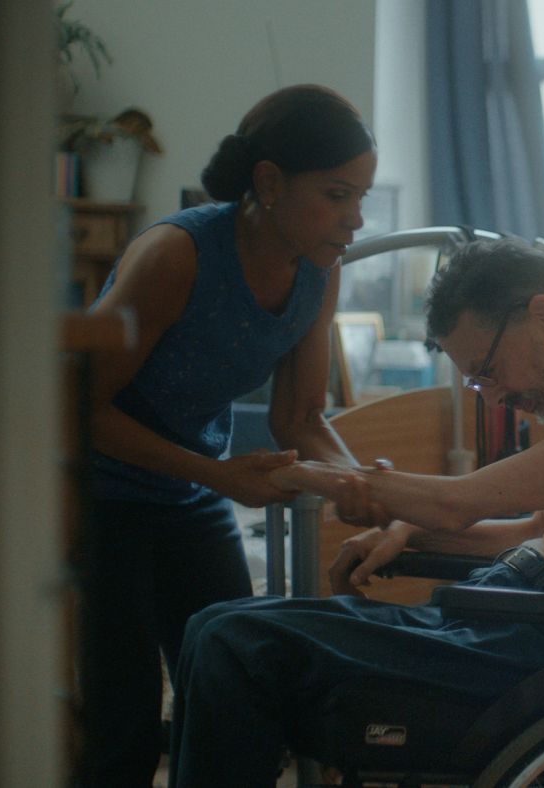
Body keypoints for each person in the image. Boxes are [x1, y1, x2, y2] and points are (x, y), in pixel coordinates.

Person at [167, 238, 544, 787]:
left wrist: (307, 475)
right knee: (209, 625)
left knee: (234, 644)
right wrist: (410, 535)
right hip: (513, 623)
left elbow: (459, 503)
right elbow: (540, 532)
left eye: (488, 370)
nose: (492, 398)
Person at [77, 84, 376, 787]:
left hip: (188, 495)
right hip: (101, 497)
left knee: (235, 687)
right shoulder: (176, 256)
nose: (356, 219)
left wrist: (361, 482)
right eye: (337, 195)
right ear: (269, 184)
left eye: (360, 198)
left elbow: (300, 419)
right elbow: (79, 410)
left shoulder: (319, 270)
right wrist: (219, 475)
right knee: (122, 725)